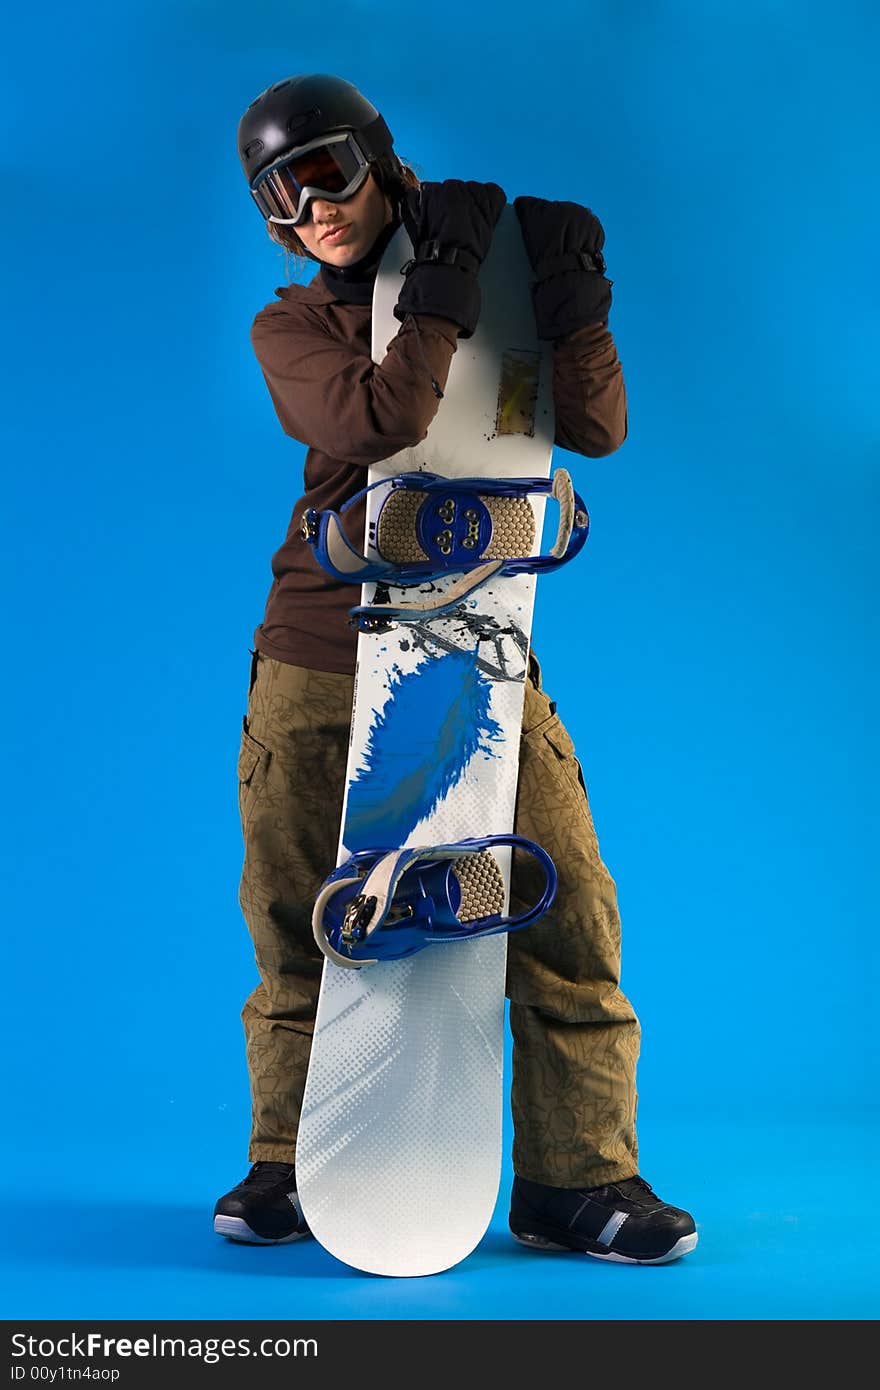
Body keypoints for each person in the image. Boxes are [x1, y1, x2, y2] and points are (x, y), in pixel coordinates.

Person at [214, 72, 697, 1265]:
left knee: (563, 908)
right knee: (302, 924)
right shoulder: (295, 326)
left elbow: (593, 430)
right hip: (320, 661)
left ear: (378, 158)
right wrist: (435, 294)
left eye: (327, 170)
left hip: (477, 655)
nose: (309, 206)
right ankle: (291, 1158)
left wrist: (576, 310)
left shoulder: (503, 294)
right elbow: (382, 420)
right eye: (280, 192)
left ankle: (575, 1180)